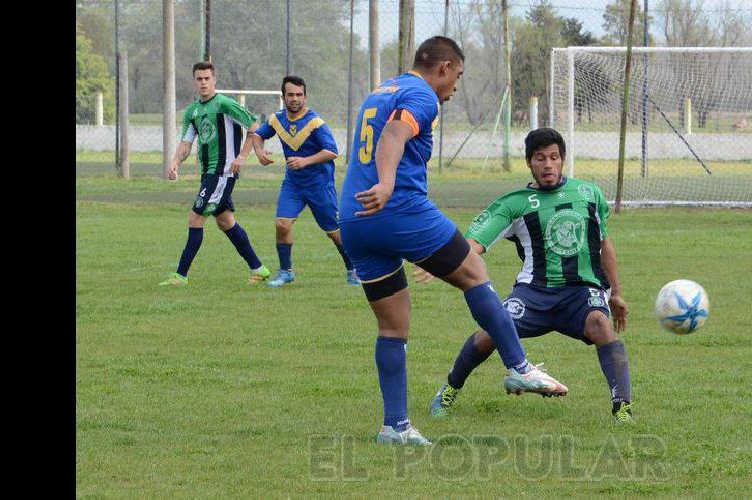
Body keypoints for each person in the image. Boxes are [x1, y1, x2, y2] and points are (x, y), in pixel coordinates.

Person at [338, 36, 568, 446]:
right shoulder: (421, 94)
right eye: (457, 76)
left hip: (355, 217)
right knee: (475, 272)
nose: (455, 86)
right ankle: (518, 365)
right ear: (442, 67)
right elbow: (393, 135)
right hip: (397, 208)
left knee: (393, 326)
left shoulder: (381, 90)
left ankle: (396, 426)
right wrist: (388, 184)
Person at [424, 128, 634, 424]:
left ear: (563, 160)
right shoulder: (515, 203)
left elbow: (604, 244)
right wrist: (440, 259)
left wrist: (616, 293)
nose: (547, 165)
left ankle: (622, 407)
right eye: (540, 158)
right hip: (533, 293)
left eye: (553, 157)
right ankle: (448, 390)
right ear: (529, 163)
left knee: (601, 325)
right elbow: (475, 243)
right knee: (489, 334)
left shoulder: (589, 194)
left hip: (580, 293)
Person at [237, 76, 360, 287]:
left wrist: (305, 161)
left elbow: (332, 151)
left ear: (305, 96)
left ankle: (353, 270)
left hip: (320, 186)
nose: (295, 99)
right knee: (282, 224)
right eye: (291, 95)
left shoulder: (315, 122)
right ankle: (286, 272)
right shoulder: (277, 119)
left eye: (299, 95)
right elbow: (257, 136)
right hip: (293, 184)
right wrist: (259, 153)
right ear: (283, 96)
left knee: (334, 233)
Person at [160, 61, 270, 286]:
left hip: (223, 173)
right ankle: (259, 268)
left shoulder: (224, 104)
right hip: (208, 173)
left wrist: (242, 157)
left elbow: (254, 128)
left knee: (195, 217)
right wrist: (174, 162)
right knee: (225, 221)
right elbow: (186, 143)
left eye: (207, 78)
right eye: (199, 78)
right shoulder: (193, 111)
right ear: (194, 81)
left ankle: (180, 276)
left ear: (214, 79)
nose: (203, 82)